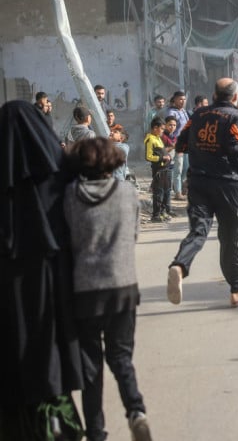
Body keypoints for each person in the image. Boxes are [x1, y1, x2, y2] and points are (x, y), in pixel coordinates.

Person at [0, 100, 84, 441]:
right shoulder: (58, 172)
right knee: (49, 349)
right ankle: (56, 422)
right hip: (52, 278)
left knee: (13, 352)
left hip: (8, 282)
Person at [63, 137, 152, 441]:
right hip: (123, 285)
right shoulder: (127, 193)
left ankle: (96, 432)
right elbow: (135, 234)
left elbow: (67, 242)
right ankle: (136, 411)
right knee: (121, 357)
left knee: (90, 367)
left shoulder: (70, 195)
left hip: (85, 290)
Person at [168, 78, 238, 308]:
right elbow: (234, 145)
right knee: (229, 236)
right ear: (234, 97)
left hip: (198, 181)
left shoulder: (197, 115)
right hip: (225, 183)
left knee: (199, 230)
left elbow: (181, 144)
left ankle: (180, 265)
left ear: (213, 95)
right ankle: (236, 289)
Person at [144, 117, 172, 222]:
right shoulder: (150, 139)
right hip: (158, 171)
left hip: (165, 169)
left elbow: (162, 152)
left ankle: (162, 212)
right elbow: (148, 156)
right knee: (158, 193)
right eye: (162, 128)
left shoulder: (158, 138)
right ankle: (156, 215)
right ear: (155, 128)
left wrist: (168, 156)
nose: (163, 131)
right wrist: (162, 158)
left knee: (165, 192)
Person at [164, 91, 190, 200]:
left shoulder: (183, 111)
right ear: (174, 100)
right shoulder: (171, 112)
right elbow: (169, 128)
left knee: (186, 167)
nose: (182, 101)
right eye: (180, 99)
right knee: (178, 169)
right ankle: (178, 192)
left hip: (186, 144)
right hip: (176, 144)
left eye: (184, 99)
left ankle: (178, 187)